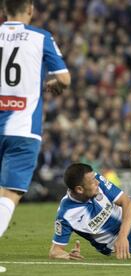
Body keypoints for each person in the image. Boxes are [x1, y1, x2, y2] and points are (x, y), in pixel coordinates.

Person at [0, 0, 70, 238]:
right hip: (23, 128)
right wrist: (53, 84)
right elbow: (65, 78)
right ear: (30, 9)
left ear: (3, 11)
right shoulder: (39, 37)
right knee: (10, 192)